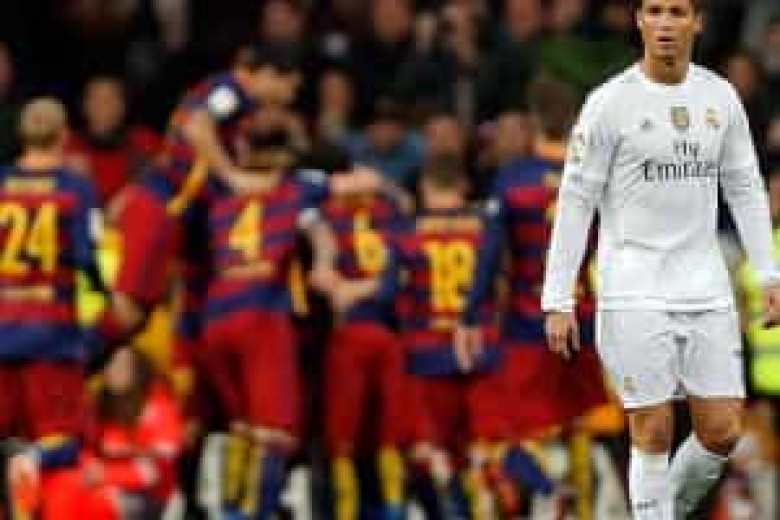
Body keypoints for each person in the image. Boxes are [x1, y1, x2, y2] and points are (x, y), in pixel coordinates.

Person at [540, 1, 780, 518]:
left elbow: (745, 187)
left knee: (723, 431)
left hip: (705, 283)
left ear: (697, 22)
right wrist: (558, 298)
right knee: (652, 428)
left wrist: (769, 273)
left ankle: (656, 511)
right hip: (633, 285)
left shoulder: (720, 97)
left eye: (676, 12)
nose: (665, 24)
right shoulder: (609, 103)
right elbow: (576, 200)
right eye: (654, 11)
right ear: (639, 20)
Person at [0, 98, 120, 518]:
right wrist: (96, 325)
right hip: (52, 338)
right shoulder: (75, 189)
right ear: (64, 135)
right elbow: (92, 263)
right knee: (57, 441)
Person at [321, 179, 407, 519]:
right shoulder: (393, 213)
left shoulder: (327, 215)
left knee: (343, 438)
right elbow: (401, 276)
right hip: (388, 334)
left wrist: (348, 289)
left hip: (349, 335)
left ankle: (349, 512)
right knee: (389, 435)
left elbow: (322, 279)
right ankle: (394, 509)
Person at [43, 348, 184, 520]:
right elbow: (89, 447)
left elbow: (153, 473)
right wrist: (90, 466)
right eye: (110, 365)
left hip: (150, 495)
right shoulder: (103, 405)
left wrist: (106, 474)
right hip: (109, 483)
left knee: (90, 499)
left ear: (138, 371)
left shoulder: (158, 408)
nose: (113, 370)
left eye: (122, 365)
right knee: (61, 483)